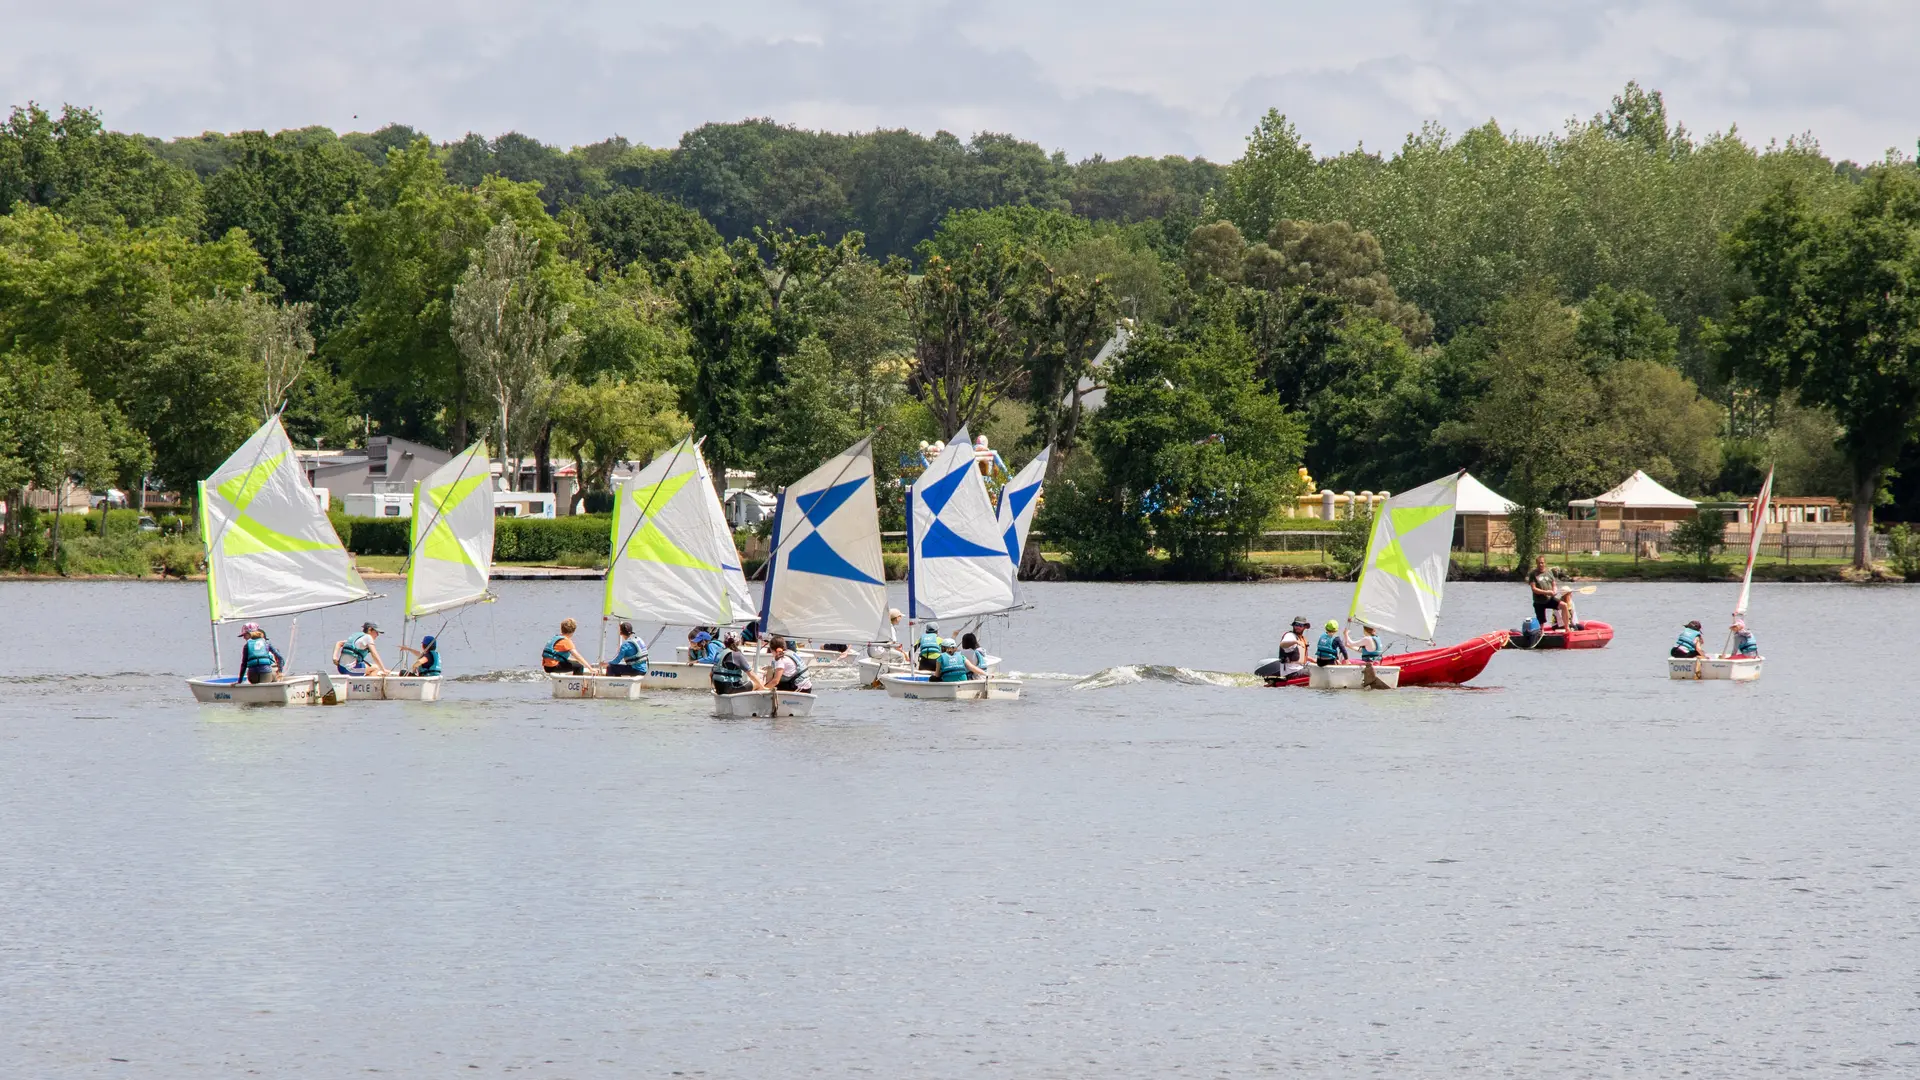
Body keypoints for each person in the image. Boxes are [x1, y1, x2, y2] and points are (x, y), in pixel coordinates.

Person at [1528, 556, 1560, 630]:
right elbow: (1534, 589)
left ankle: (1566, 628)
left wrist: (1554, 590)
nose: (1540, 564)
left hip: (1549, 599)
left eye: (1542, 563)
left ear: (1545, 563)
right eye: (1539, 563)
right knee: (1541, 621)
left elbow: (1554, 584)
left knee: (1564, 605)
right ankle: (1541, 633)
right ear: (1536, 563)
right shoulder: (1533, 574)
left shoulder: (1549, 572)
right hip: (1539, 601)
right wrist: (1546, 592)